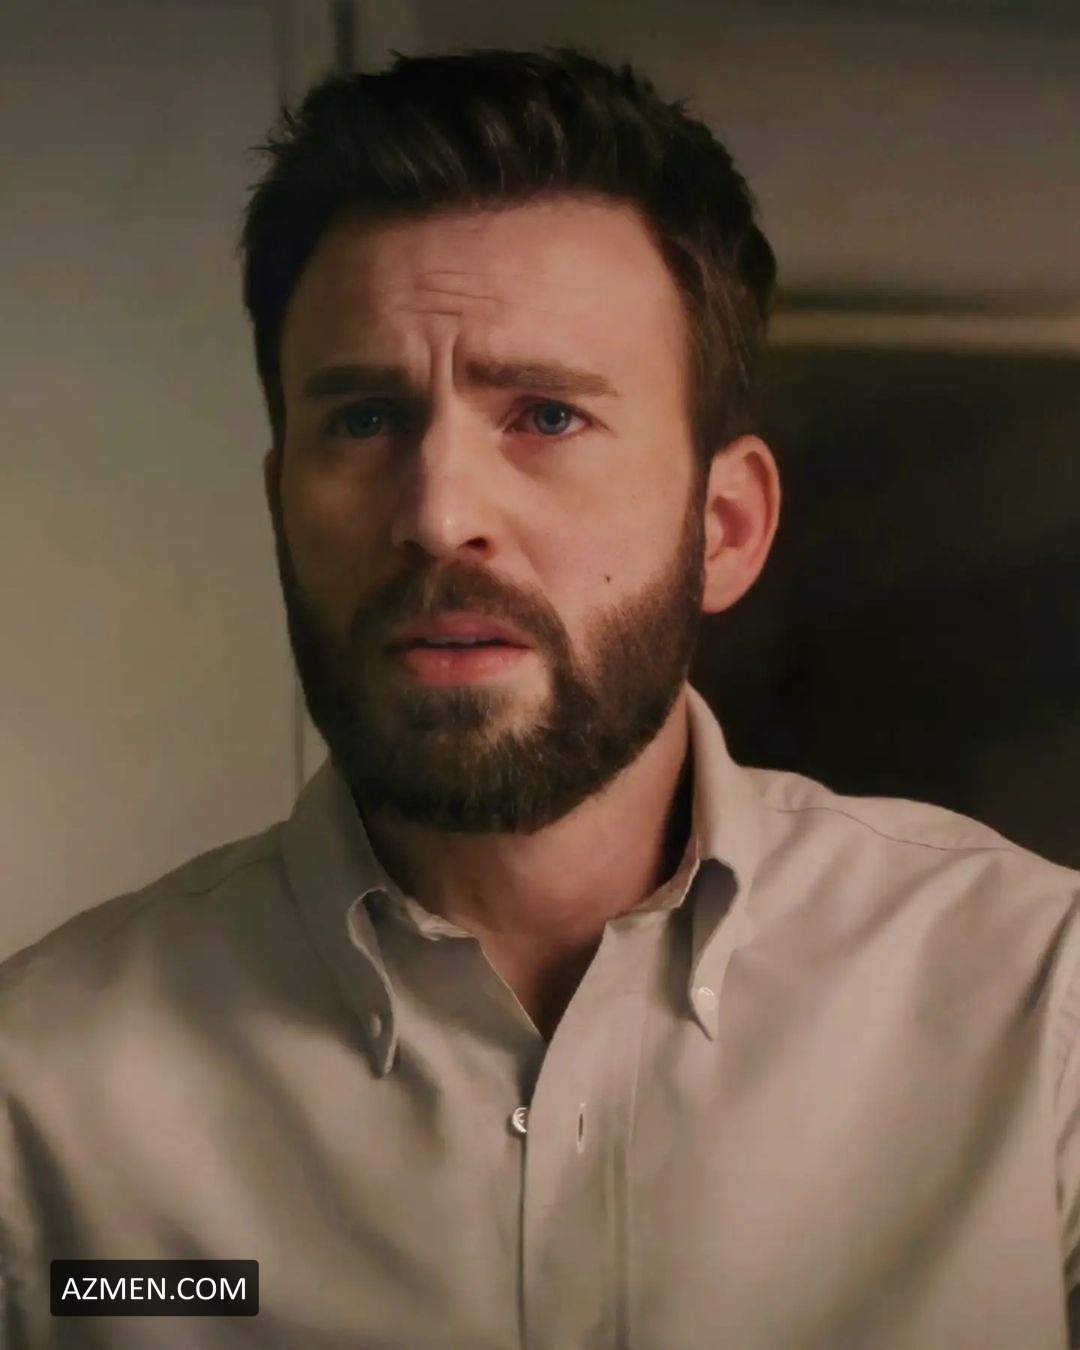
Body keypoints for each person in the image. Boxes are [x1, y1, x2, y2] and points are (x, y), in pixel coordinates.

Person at [1, 46, 1078, 1350]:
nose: (438, 512)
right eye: (363, 420)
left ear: (725, 527)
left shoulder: (1043, 1007)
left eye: (548, 416)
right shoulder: (38, 1100)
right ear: (281, 504)